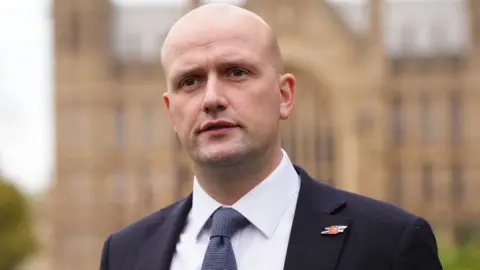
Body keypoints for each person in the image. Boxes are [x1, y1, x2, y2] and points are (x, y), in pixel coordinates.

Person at [100, 3, 443, 270]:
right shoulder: (125, 255)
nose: (212, 98)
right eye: (190, 81)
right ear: (170, 111)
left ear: (285, 95)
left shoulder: (388, 243)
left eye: (236, 72)